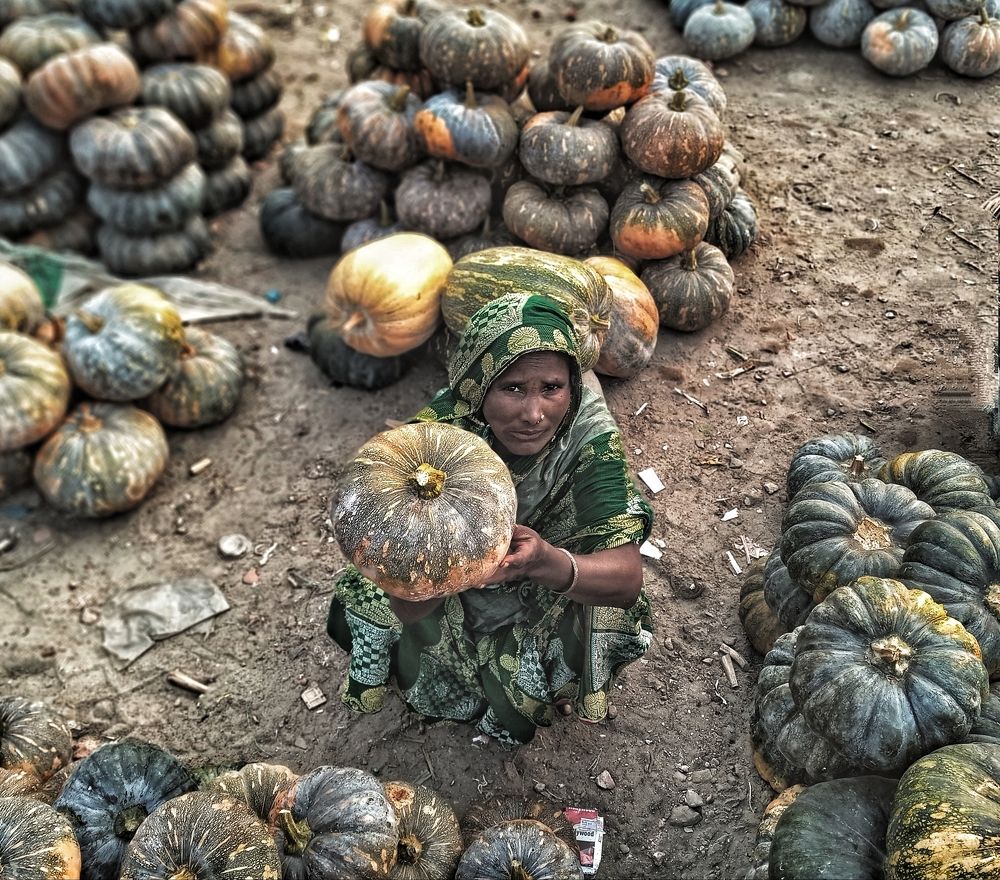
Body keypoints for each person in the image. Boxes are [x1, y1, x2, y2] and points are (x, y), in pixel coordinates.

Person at [327, 292, 654, 746]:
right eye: (512, 388)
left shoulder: (590, 441)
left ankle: (559, 676)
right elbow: (407, 602)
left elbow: (626, 581)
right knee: (370, 595)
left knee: (602, 616)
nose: (534, 414)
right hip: (455, 577)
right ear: (478, 387)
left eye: (552, 389)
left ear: (571, 388)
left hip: (551, 581)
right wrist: (444, 571)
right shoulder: (441, 430)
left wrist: (543, 560)